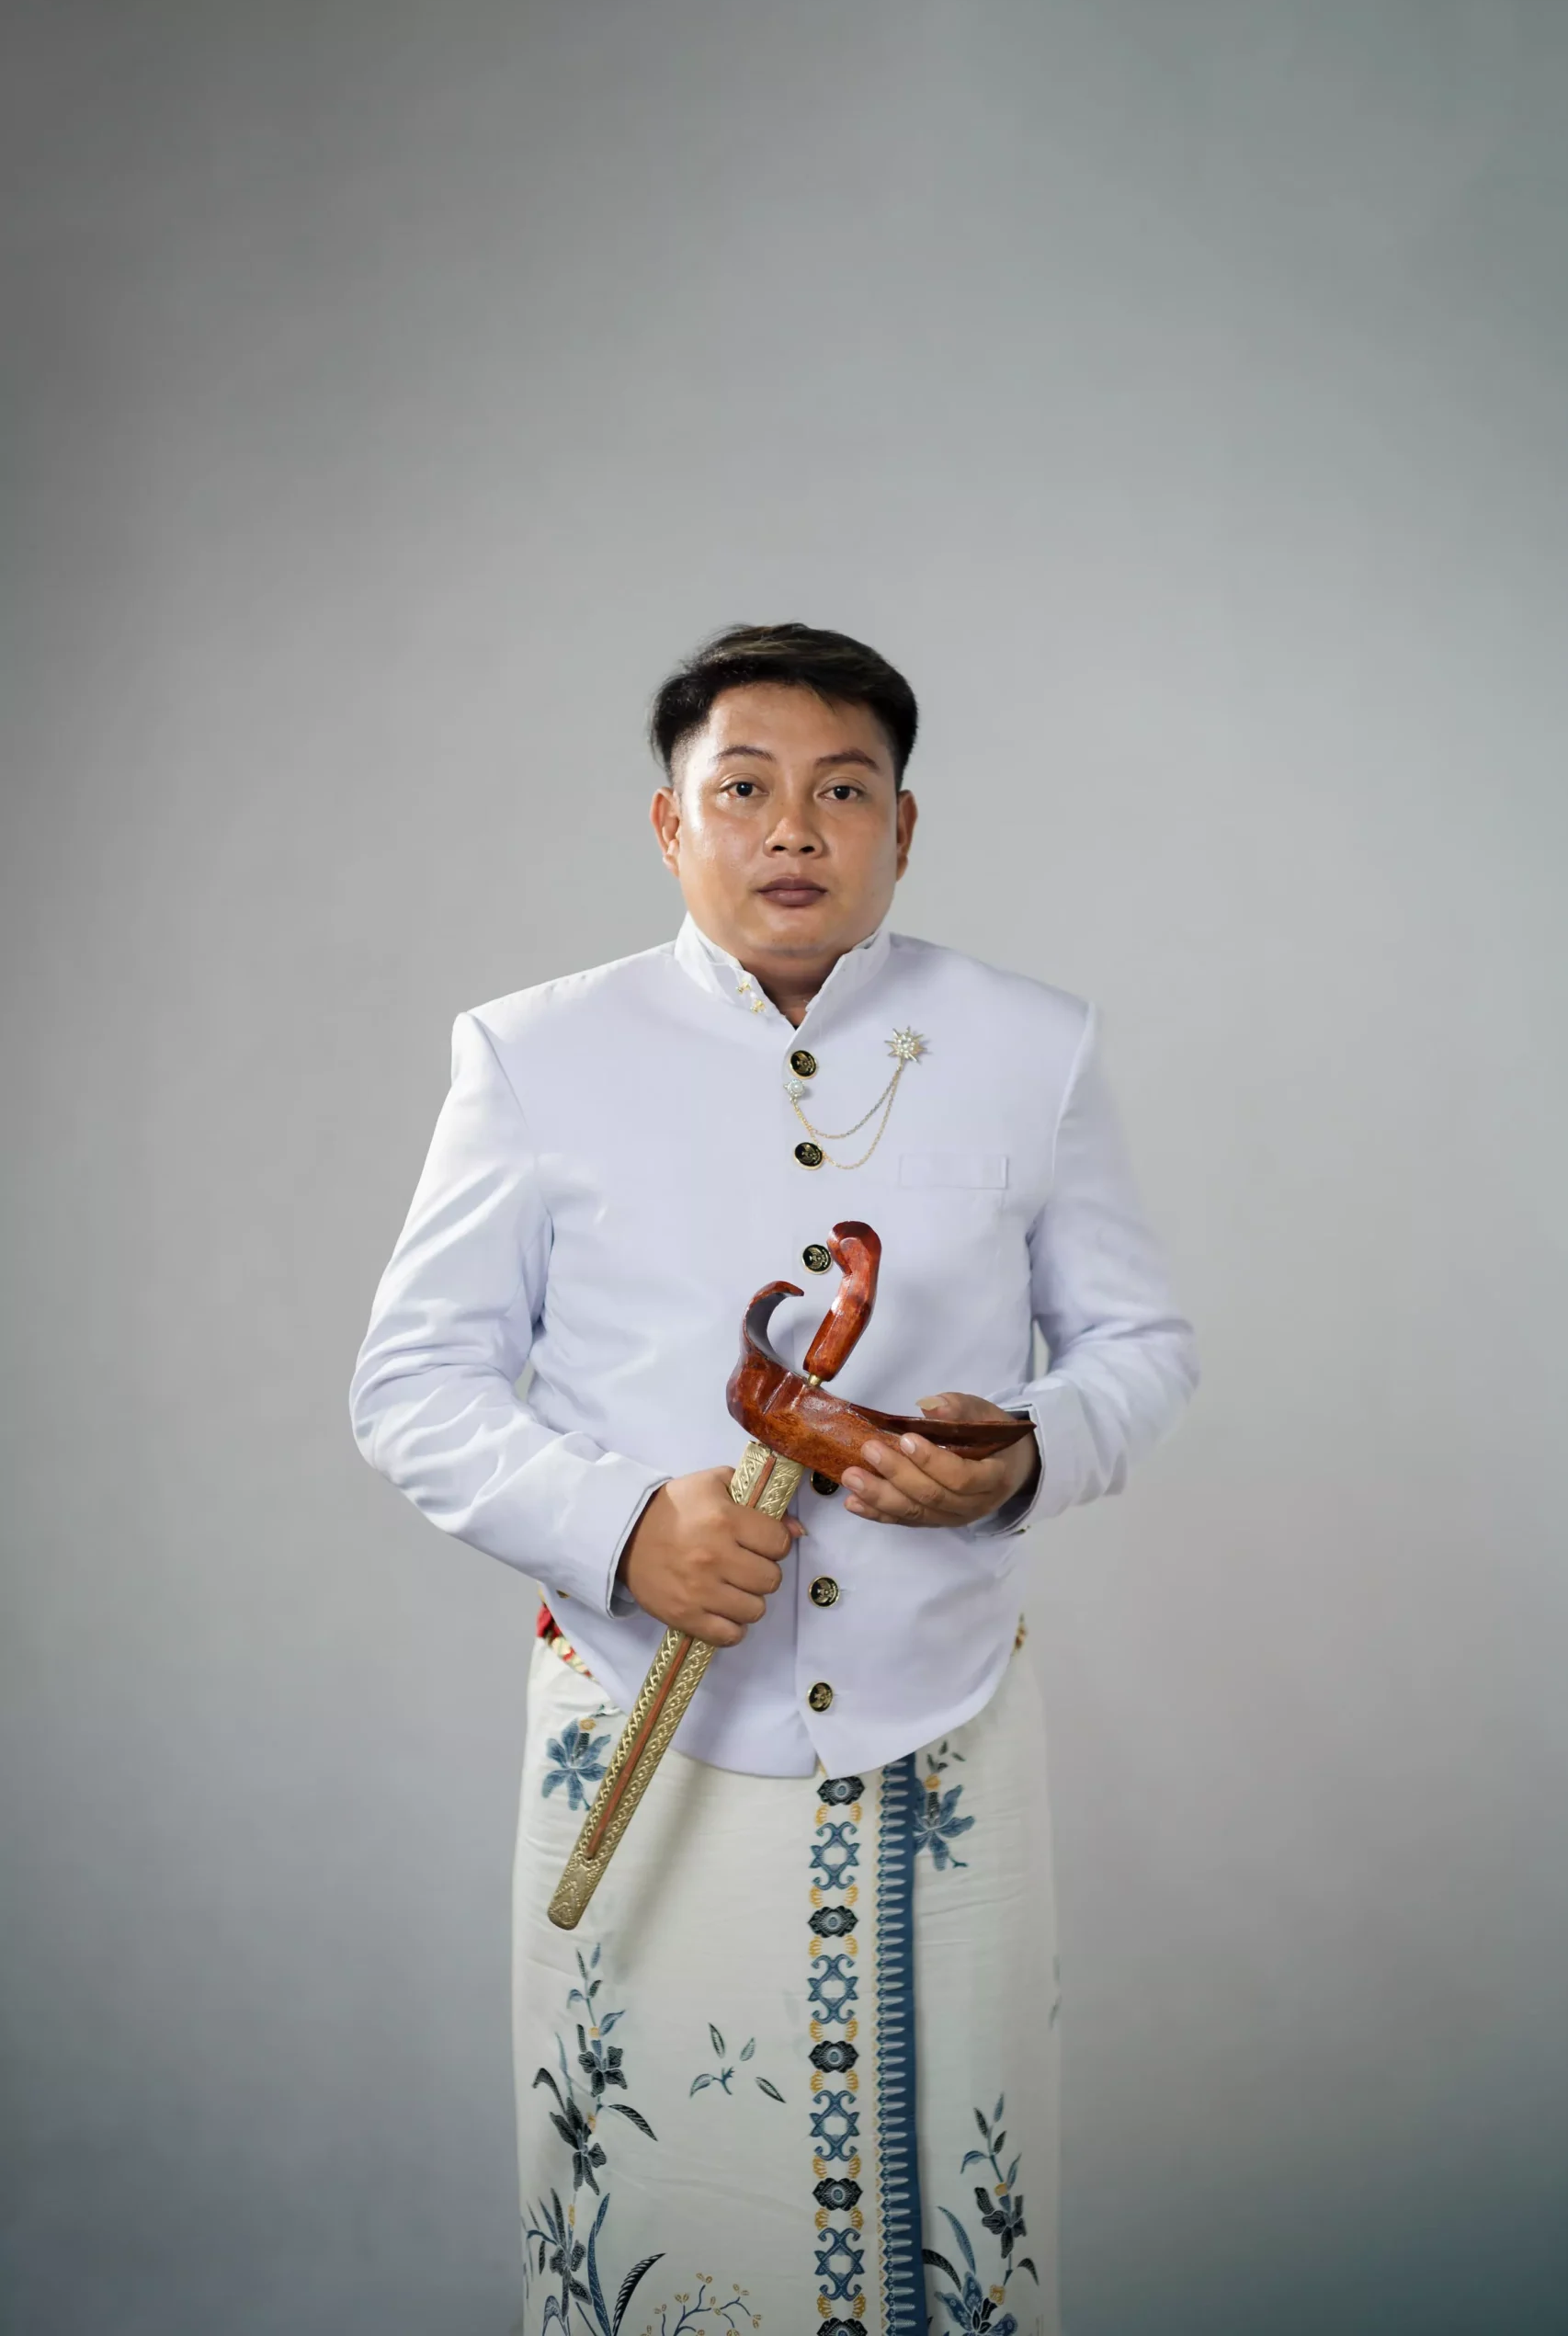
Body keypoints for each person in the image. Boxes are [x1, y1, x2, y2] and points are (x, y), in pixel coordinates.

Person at [348, 622, 1199, 2333]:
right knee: (655, 2202)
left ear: (903, 828)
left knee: (951, 2211)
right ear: (671, 826)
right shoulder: (534, 1052)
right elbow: (411, 1384)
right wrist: (620, 1531)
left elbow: (1140, 1346)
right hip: (639, 1702)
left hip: (940, 1708)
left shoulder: (1029, 1045)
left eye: (841, 791)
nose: (793, 829)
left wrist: (1019, 1457)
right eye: (742, 790)